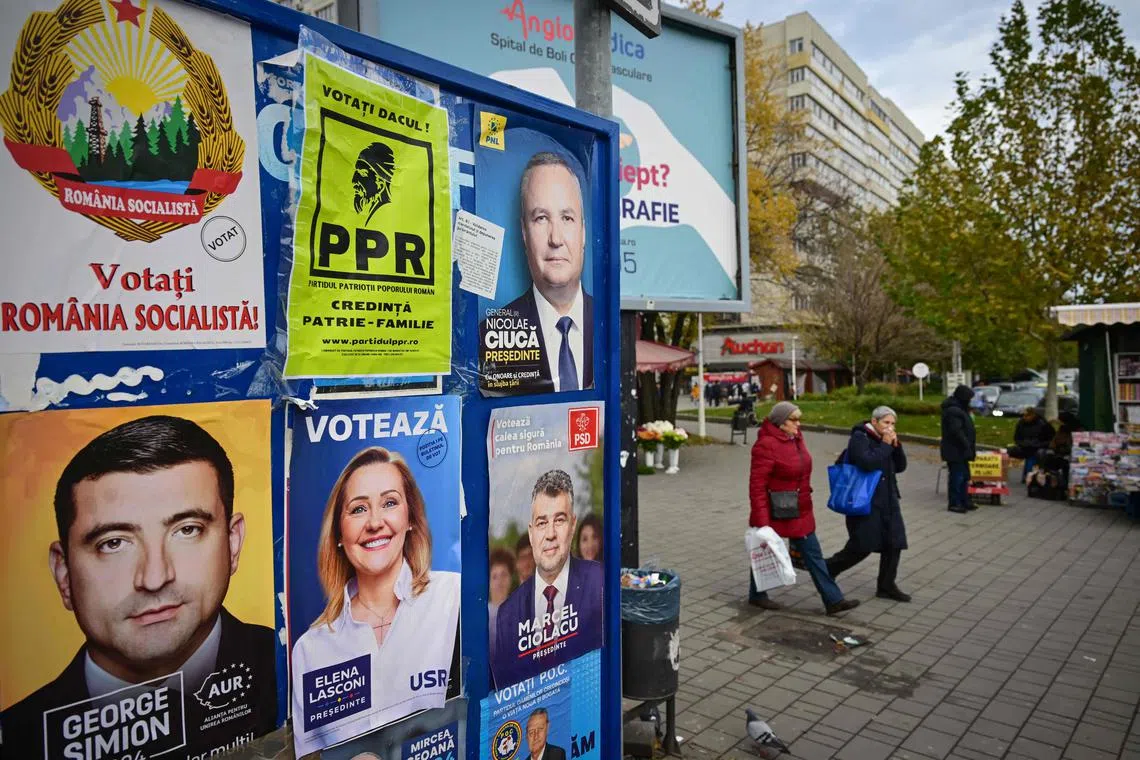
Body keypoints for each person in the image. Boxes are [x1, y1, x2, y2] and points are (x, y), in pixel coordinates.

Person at [1, 416, 276, 760]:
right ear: (63, 571)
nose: (155, 577)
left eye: (187, 530)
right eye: (114, 543)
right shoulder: (14, 740)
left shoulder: (295, 666)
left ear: (232, 544)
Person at [291, 447, 460, 757]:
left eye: (390, 503)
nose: (374, 522)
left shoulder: (452, 598)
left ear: (410, 518)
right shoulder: (310, 649)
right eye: (358, 509)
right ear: (338, 534)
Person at [480, 151, 593, 394]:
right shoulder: (487, 336)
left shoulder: (609, 327)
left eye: (567, 218)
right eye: (541, 218)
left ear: (583, 231)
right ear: (524, 232)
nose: (556, 238)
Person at [492, 470, 603, 688]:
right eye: (542, 523)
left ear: (572, 526)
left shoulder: (599, 581)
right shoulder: (507, 615)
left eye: (559, 520)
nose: (550, 533)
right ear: (531, 533)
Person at [748, 402, 859, 615]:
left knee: (813, 554)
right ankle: (757, 595)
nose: (799, 424)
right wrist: (762, 522)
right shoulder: (766, 445)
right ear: (781, 423)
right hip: (775, 510)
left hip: (800, 508)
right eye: (794, 419)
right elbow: (757, 486)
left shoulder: (797, 438)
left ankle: (833, 600)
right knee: (767, 552)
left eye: (799, 419)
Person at [826, 407, 911, 602]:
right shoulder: (860, 437)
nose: (890, 427)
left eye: (892, 424)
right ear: (874, 421)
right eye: (886, 423)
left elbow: (900, 467)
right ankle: (828, 568)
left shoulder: (886, 442)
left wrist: (896, 447)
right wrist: (886, 446)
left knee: (894, 542)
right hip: (864, 500)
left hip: (888, 499)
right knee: (862, 544)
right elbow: (867, 462)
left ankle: (887, 585)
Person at [941, 384, 978, 514]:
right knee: (957, 477)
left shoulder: (959, 409)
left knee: (964, 476)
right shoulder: (954, 411)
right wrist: (966, 445)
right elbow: (956, 431)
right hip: (955, 450)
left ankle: (964, 500)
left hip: (961, 450)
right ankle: (955, 502)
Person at [1009, 407, 1055, 483]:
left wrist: (1037, 444)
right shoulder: (1021, 423)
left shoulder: (1043, 424)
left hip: (1039, 447)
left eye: (1027, 416)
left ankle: (1029, 476)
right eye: (1024, 415)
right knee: (1009, 451)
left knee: (1033, 454)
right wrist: (1023, 443)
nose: (1025, 417)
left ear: (1033, 415)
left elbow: (1051, 440)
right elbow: (1017, 438)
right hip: (1024, 446)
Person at [488, 548, 516, 655]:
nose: (499, 582)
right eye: (494, 577)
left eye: (504, 575)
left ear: (510, 578)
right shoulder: (481, 615)